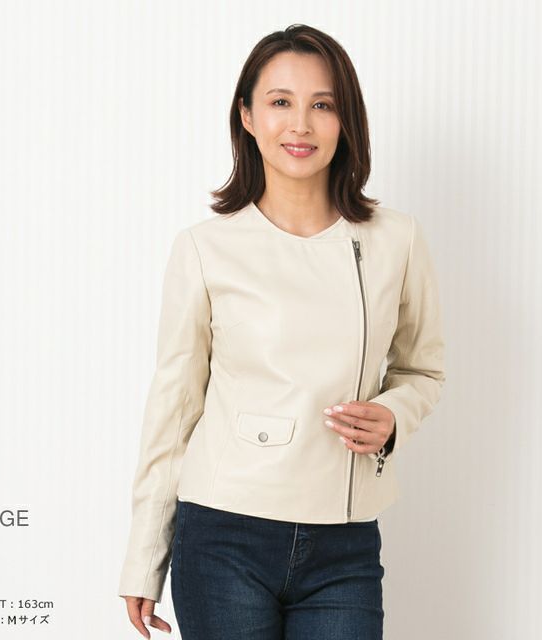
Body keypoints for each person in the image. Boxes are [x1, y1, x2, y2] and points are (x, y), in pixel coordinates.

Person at [118, 23, 446, 640]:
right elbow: (174, 409)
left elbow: (422, 369)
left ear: (346, 120)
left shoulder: (396, 240)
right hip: (223, 535)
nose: (301, 125)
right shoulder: (205, 249)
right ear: (247, 116)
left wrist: (394, 415)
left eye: (322, 105)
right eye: (280, 102)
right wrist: (144, 557)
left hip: (345, 544)